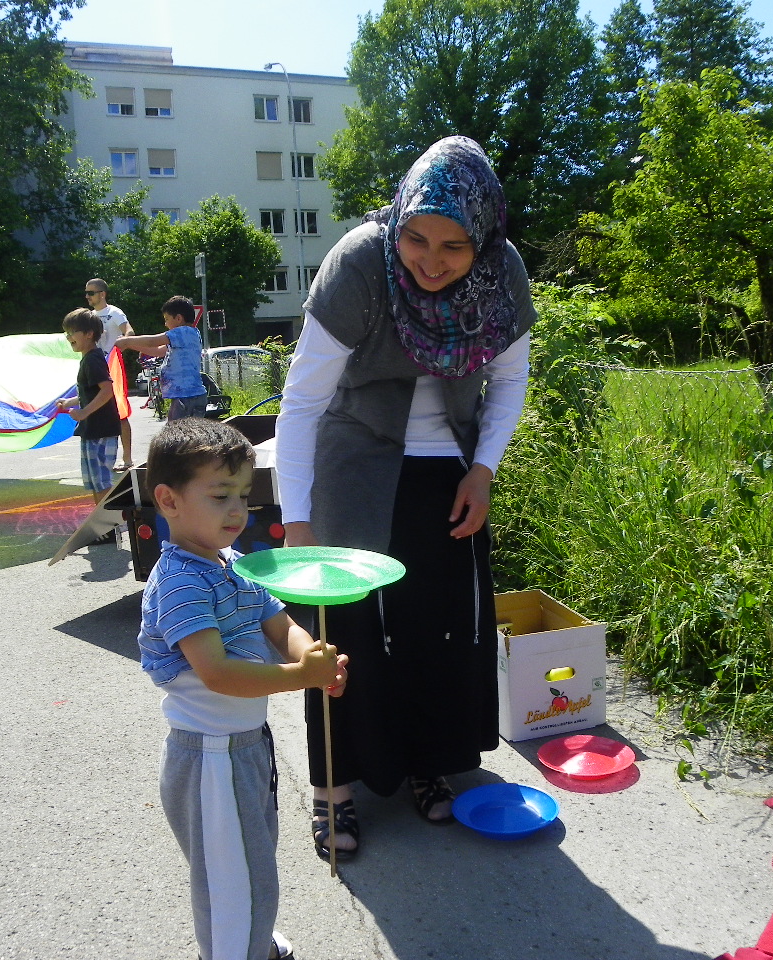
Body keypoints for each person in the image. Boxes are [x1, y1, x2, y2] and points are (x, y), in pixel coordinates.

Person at [273, 136, 535, 861]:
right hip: (353, 454)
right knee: (345, 631)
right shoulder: (361, 264)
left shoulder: (503, 273)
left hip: (448, 464)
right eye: (417, 238)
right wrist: (298, 522)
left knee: (435, 624)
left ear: (483, 239)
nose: (431, 260)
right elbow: (302, 403)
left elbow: (509, 380)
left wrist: (483, 471)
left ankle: (426, 761)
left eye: (454, 246)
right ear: (398, 221)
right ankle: (334, 789)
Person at [138, 418, 348, 960]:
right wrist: (300, 678)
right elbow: (217, 673)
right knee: (233, 881)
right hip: (210, 756)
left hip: (245, 746)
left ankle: (246, 942)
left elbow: (280, 626)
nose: (238, 510)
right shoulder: (181, 581)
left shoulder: (234, 566)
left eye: (243, 495)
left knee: (249, 861)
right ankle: (237, 949)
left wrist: (313, 657)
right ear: (168, 500)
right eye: (220, 495)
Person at [57, 309, 121, 544]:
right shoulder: (88, 358)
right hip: (93, 430)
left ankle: (108, 529)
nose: (68, 337)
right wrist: (71, 402)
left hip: (100, 430)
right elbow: (90, 392)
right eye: (66, 333)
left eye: (72, 332)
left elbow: (107, 390)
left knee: (101, 481)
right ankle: (102, 528)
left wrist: (83, 412)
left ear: (88, 334)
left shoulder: (93, 359)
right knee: (95, 481)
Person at [115, 295, 207, 421]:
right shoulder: (188, 335)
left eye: (167, 319)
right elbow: (158, 351)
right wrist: (130, 345)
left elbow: (152, 341)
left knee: (177, 432)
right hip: (189, 396)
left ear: (178, 318)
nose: (165, 324)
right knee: (182, 431)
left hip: (187, 397)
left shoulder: (182, 331)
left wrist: (127, 340)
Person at [83, 278, 136, 470]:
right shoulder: (88, 316)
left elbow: (129, 332)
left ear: (102, 294)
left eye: (91, 293)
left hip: (111, 368)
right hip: (94, 368)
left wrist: (122, 344)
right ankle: (101, 458)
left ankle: (127, 459)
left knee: (119, 413)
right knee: (96, 411)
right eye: (86, 293)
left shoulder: (114, 312)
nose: (87, 296)